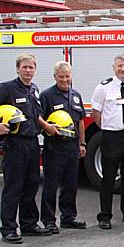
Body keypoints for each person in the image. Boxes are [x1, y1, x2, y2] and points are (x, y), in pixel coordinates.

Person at [0, 54, 59, 244]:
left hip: (33, 142)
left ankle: (28, 223)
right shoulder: (6, 88)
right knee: (14, 186)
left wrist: (46, 126)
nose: (28, 70)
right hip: (15, 144)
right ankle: (8, 228)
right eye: (24, 67)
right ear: (18, 69)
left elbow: (35, 115)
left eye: (31, 67)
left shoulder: (34, 89)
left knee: (32, 184)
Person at [91, 53, 124, 230]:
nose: (123, 69)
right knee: (108, 178)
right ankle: (105, 216)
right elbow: (96, 114)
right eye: (120, 66)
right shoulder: (104, 88)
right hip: (112, 136)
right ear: (113, 67)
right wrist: (108, 129)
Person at [39, 61, 88, 233]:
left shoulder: (75, 95)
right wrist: (48, 128)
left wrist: (82, 144)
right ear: (55, 77)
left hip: (72, 146)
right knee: (51, 185)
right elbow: (38, 118)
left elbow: (80, 121)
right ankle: (48, 220)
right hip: (54, 147)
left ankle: (68, 217)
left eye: (67, 76)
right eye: (61, 77)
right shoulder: (46, 96)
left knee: (71, 184)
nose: (65, 80)